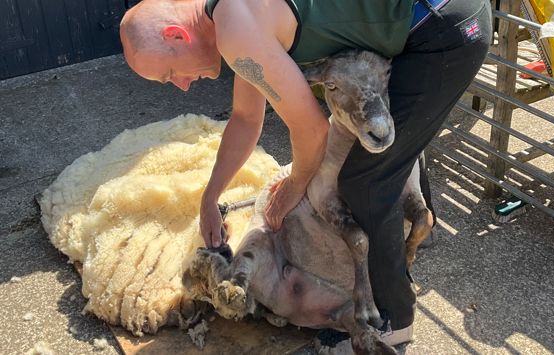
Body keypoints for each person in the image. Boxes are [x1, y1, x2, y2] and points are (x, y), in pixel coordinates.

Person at [120, 0, 491, 348]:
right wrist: (210, 196)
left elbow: (312, 131)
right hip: (433, 21)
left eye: (170, 74)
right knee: (393, 147)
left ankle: (392, 321)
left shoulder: (236, 30)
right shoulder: (233, 18)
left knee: (365, 181)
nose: (182, 85)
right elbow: (246, 118)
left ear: (175, 35)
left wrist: (294, 186)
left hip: (442, 30)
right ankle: (416, 232)